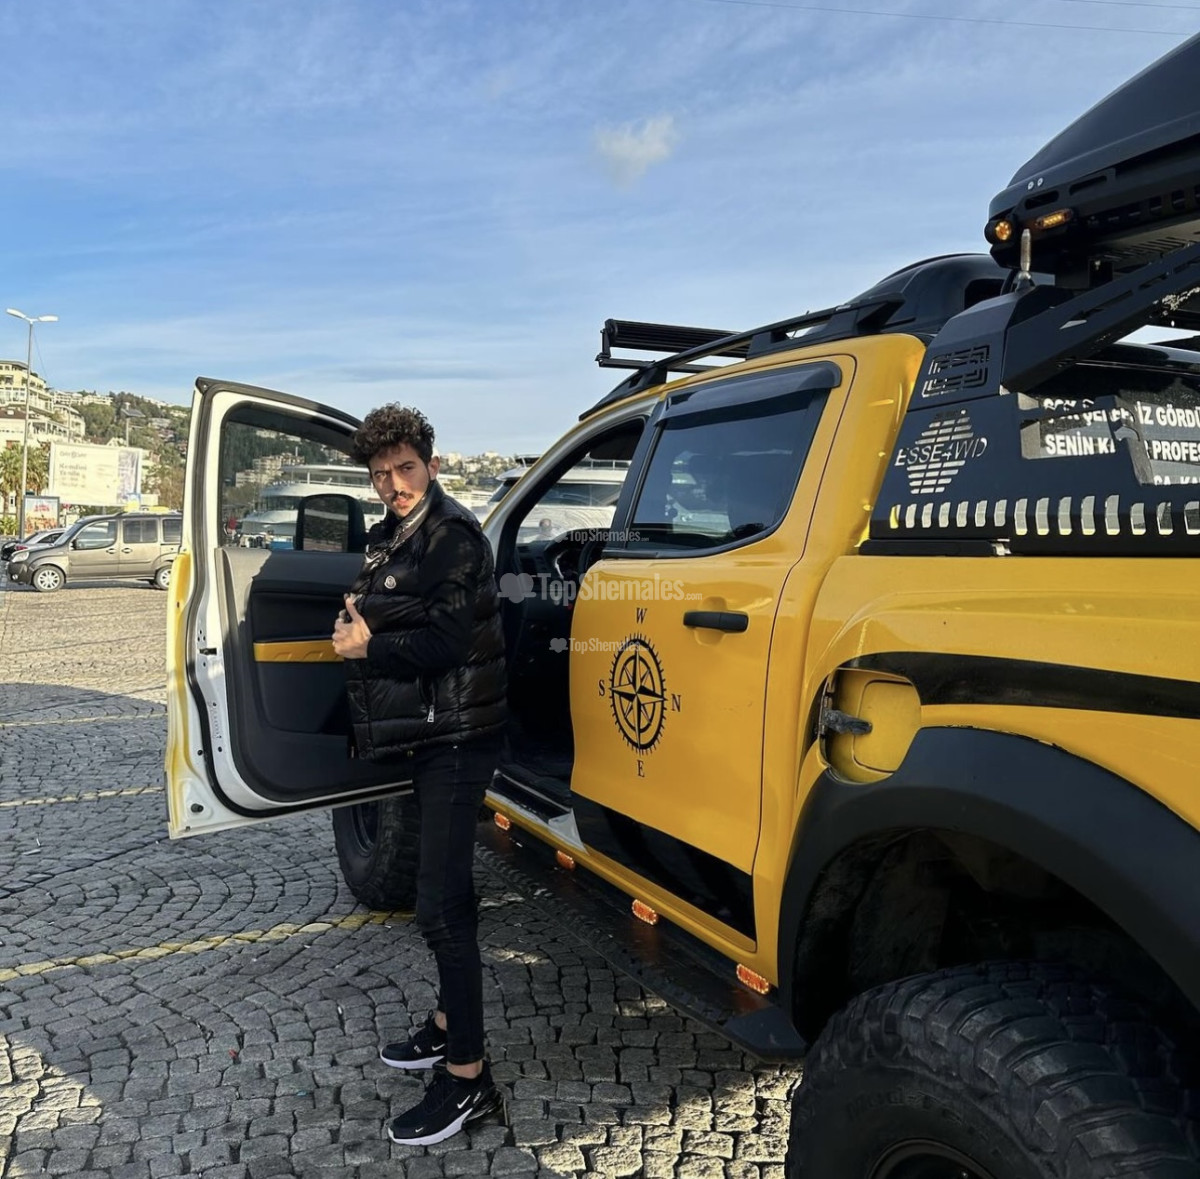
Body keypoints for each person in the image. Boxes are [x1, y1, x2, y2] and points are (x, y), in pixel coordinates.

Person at [331, 404, 508, 1146]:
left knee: (441, 905)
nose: (393, 485)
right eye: (380, 475)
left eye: (405, 469)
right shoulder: (394, 533)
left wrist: (367, 647)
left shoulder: (453, 537)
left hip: (459, 738)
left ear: (431, 466)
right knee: (441, 899)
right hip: (428, 733)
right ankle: (445, 1022)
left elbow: (446, 642)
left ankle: (468, 1076)